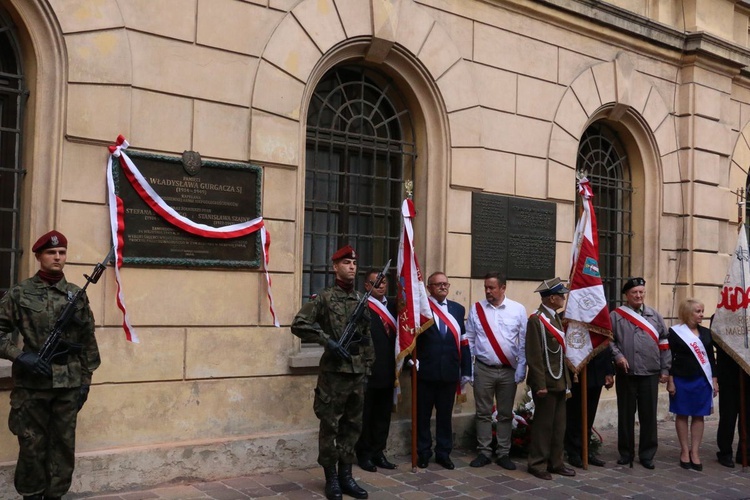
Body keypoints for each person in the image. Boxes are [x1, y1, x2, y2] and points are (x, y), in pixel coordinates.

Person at [0, 230, 101, 500]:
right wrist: (20, 356)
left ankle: (55, 497)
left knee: (63, 449)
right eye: (51, 252)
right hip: (32, 388)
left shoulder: (76, 295)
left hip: (68, 386)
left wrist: (85, 383)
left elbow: (88, 342)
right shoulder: (20, 293)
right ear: (38, 256)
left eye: (62, 252)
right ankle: (32, 496)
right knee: (32, 448)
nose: (58, 257)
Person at [291, 245, 373, 500]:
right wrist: (328, 341)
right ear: (334, 267)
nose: (352, 266)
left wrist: (367, 368)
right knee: (330, 427)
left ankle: (347, 476)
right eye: (346, 262)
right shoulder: (324, 298)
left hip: (357, 373)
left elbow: (367, 337)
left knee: (352, 427)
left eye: (354, 263)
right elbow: (299, 324)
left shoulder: (361, 299)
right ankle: (331, 480)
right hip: (333, 376)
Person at [466, 272, 527, 471]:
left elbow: (524, 342)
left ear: (503, 288)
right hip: (483, 369)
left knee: (505, 414)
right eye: (486, 287)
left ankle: (503, 453)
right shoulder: (477, 309)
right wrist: (471, 368)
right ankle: (483, 452)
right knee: (483, 412)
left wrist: (521, 368)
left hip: (508, 370)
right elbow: (470, 340)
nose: (488, 291)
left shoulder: (517, 310)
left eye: (492, 288)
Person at [610, 277, 670, 469]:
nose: (638, 295)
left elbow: (664, 343)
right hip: (627, 373)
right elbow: (608, 340)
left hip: (650, 372)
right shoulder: (616, 316)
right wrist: (618, 356)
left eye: (641, 292)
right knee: (626, 415)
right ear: (626, 295)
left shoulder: (655, 315)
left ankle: (647, 454)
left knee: (648, 415)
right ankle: (626, 453)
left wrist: (665, 368)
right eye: (634, 292)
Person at [414, 271, 471, 470]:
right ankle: (423, 452)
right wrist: (411, 363)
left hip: (449, 373)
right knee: (422, 416)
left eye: (445, 284)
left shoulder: (457, 309)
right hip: (426, 372)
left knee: (445, 417)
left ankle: (443, 453)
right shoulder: (421, 308)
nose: (443, 287)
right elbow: (411, 339)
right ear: (429, 288)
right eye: (438, 284)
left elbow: (463, 342)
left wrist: (466, 369)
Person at [524, 278, 576, 480]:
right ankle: (537, 464)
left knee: (559, 426)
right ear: (552, 298)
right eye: (561, 295)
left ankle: (556, 462)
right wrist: (540, 385)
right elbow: (535, 356)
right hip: (546, 382)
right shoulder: (536, 320)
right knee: (543, 427)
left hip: (560, 381)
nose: (564, 298)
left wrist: (567, 383)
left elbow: (560, 354)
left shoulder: (555, 318)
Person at [666, 298, 718, 471]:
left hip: (702, 380)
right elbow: (669, 358)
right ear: (688, 313)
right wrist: (670, 381)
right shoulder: (675, 332)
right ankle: (684, 451)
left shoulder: (706, 333)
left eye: (702, 311)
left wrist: (715, 380)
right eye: (698, 311)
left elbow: (711, 358)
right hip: (681, 379)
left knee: (699, 415)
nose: (701, 314)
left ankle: (695, 452)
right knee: (682, 414)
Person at [356, 269, 398, 473]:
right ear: (367, 285)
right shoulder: (361, 305)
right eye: (376, 283)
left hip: (389, 370)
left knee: (383, 416)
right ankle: (364, 454)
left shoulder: (396, 306)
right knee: (366, 416)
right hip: (368, 370)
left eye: (383, 283)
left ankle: (378, 451)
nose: (381, 286)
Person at [564, 345, 614, 468]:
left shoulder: (598, 325)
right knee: (574, 412)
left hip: (597, 369)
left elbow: (606, 343)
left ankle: (585, 449)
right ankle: (573, 451)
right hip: (576, 369)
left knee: (590, 413)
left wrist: (609, 371)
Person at [715, 340, 750, 468]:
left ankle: (745, 452)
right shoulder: (720, 318)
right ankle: (725, 452)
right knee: (728, 416)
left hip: (748, 373)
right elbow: (716, 338)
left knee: (748, 417)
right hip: (728, 373)